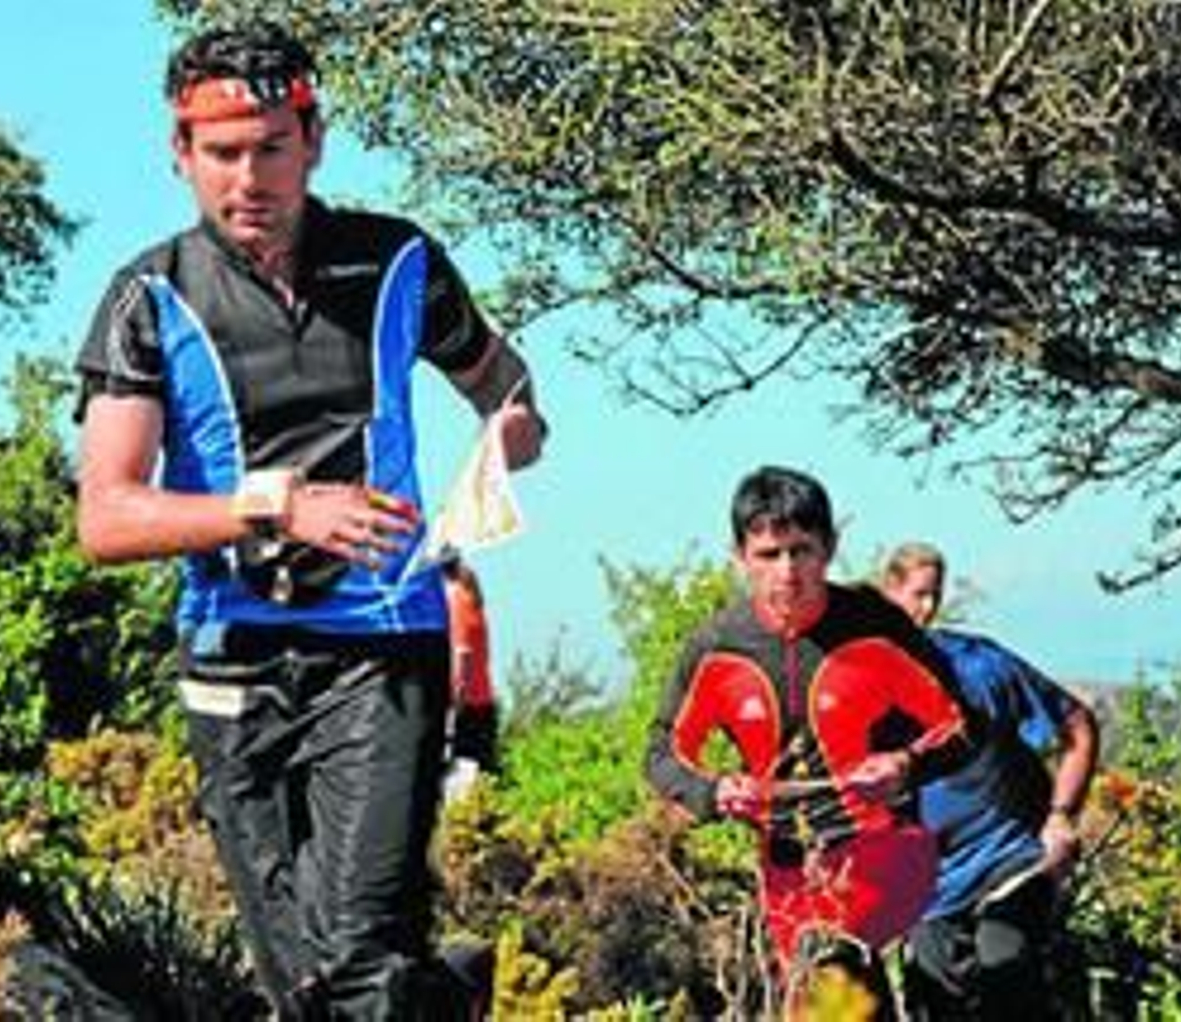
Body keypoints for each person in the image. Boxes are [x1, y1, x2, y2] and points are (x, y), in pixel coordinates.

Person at [73, 23, 545, 1019]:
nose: (249, 179)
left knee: (360, 958)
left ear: (313, 138)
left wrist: (510, 427)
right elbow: (106, 515)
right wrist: (274, 502)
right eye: (222, 153)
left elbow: (501, 379)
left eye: (271, 148)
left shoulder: (398, 259)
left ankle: (421, 986)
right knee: (304, 983)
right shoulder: (146, 297)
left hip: (383, 646)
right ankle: (448, 992)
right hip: (231, 657)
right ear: (180, 153)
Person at [645, 466, 977, 1018]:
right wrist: (715, 789)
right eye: (769, 554)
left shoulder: (878, 626)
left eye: (802, 551)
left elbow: (965, 725)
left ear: (829, 548)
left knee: (832, 975)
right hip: (786, 872)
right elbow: (662, 754)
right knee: (814, 997)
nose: (788, 572)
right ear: (739, 557)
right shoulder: (716, 647)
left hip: (884, 854)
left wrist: (904, 765)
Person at [880, 542, 1099, 1022]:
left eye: (933, 595)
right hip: (930, 885)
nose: (926, 608)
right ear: (888, 594)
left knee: (1006, 966)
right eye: (917, 595)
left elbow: (1078, 727)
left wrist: (1061, 817)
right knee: (937, 1000)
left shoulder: (980, 665)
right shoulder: (859, 688)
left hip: (1010, 860)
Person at [441, 556, 499, 793]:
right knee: (481, 777)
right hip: (482, 699)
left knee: (461, 781)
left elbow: (460, 656)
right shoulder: (473, 599)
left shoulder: (456, 600)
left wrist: (453, 704)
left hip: (467, 705)